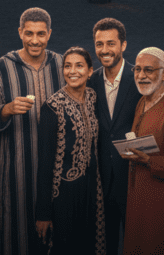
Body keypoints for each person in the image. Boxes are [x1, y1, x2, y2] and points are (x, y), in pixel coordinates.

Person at [0, 7, 65, 255]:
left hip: (56, 168)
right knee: (15, 233)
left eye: (41, 34)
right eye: (29, 33)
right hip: (15, 168)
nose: (35, 40)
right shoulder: (2, 67)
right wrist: (6, 110)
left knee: (55, 230)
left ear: (49, 34)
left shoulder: (61, 64)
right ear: (20, 32)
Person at [35, 47, 105, 254]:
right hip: (63, 195)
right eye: (67, 66)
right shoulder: (52, 107)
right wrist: (43, 213)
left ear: (90, 71)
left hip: (92, 191)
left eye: (79, 66)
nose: (72, 71)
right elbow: (45, 163)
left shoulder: (93, 97)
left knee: (88, 246)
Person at [119, 48, 164, 254]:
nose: (141, 75)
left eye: (148, 70)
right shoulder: (142, 101)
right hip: (138, 197)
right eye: (137, 69)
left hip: (163, 204)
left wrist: (148, 160)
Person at [86, 18, 140, 255]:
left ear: (123, 45)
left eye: (111, 43)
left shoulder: (139, 77)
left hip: (133, 178)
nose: (104, 50)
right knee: (104, 245)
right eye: (99, 44)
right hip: (101, 181)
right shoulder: (91, 81)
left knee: (135, 244)